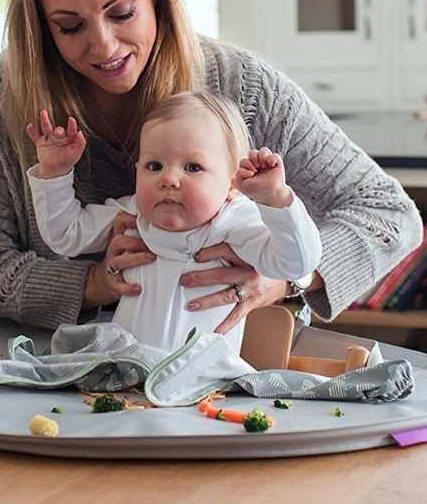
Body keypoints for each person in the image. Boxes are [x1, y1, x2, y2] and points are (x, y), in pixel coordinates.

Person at [0, 0, 423, 340]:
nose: (103, 45)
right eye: (69, 26)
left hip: (221, 389)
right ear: (41, 28)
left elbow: (388, 214)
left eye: (122, 13)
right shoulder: (6, 93)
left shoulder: (243, 86)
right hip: (51, 382)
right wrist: (96, 283)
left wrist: (281, 279)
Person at [25, 90, 321, 353]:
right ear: (137, 169)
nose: (168, 179)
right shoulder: (134, 215)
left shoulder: (234, 222)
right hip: (123, 376)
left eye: (193, 167)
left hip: (202, 383)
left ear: (232, 182)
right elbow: (65, 235)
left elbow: (295, 264)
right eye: (154, 166)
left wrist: (277, 200)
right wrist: (54, 175)